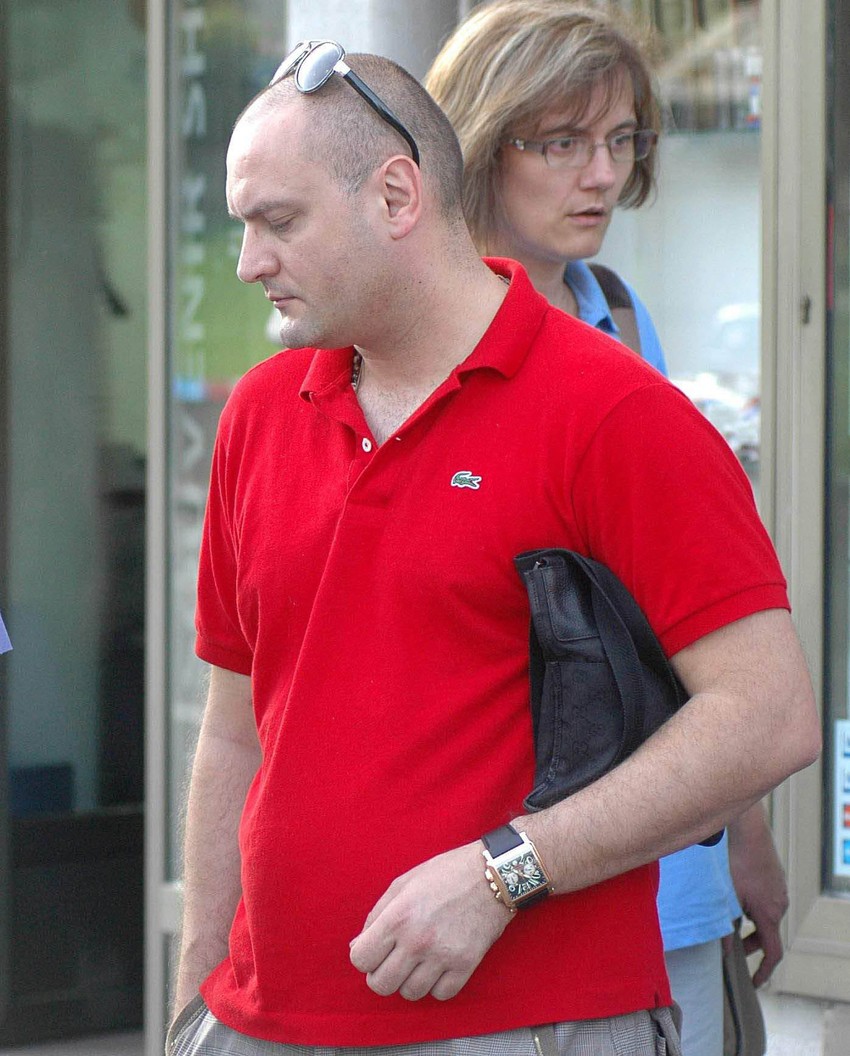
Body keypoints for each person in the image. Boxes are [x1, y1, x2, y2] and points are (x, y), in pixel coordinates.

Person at [169, 39, 819, 1056]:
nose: (249, 261)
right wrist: (192, 1004)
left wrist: (504, 872)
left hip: (536, 1023)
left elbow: (767, 717)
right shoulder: (260, 412)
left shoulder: (614, 413)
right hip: (261, 1023)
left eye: (279, 222)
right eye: (243, 223)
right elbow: (234, 732)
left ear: (396, 197)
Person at [423, 3, 789, 1053]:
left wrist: (744, 839)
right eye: (562, 142)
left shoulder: (620, 324)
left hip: (664, 873)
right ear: (479, 143)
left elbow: (683, 632)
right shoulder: (413, 349)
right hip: (479, 879)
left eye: (622, 141)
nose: (601, 176)